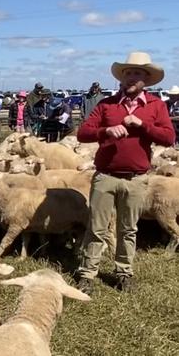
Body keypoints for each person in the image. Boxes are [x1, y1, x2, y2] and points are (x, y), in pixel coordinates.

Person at [75, 52, 175, 295]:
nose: (131, 77)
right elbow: (83, 133)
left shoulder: (156, 106)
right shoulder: (106, 105)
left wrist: (143, 126)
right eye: (128, 73)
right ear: (122, 77)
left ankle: (124, 273)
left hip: (136, 178)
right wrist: (106, 131)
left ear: (146, 79)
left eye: (137, 73)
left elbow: (169, 137)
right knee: (97, 227)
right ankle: (87, 273)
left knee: (128, 229)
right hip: (106, 176)